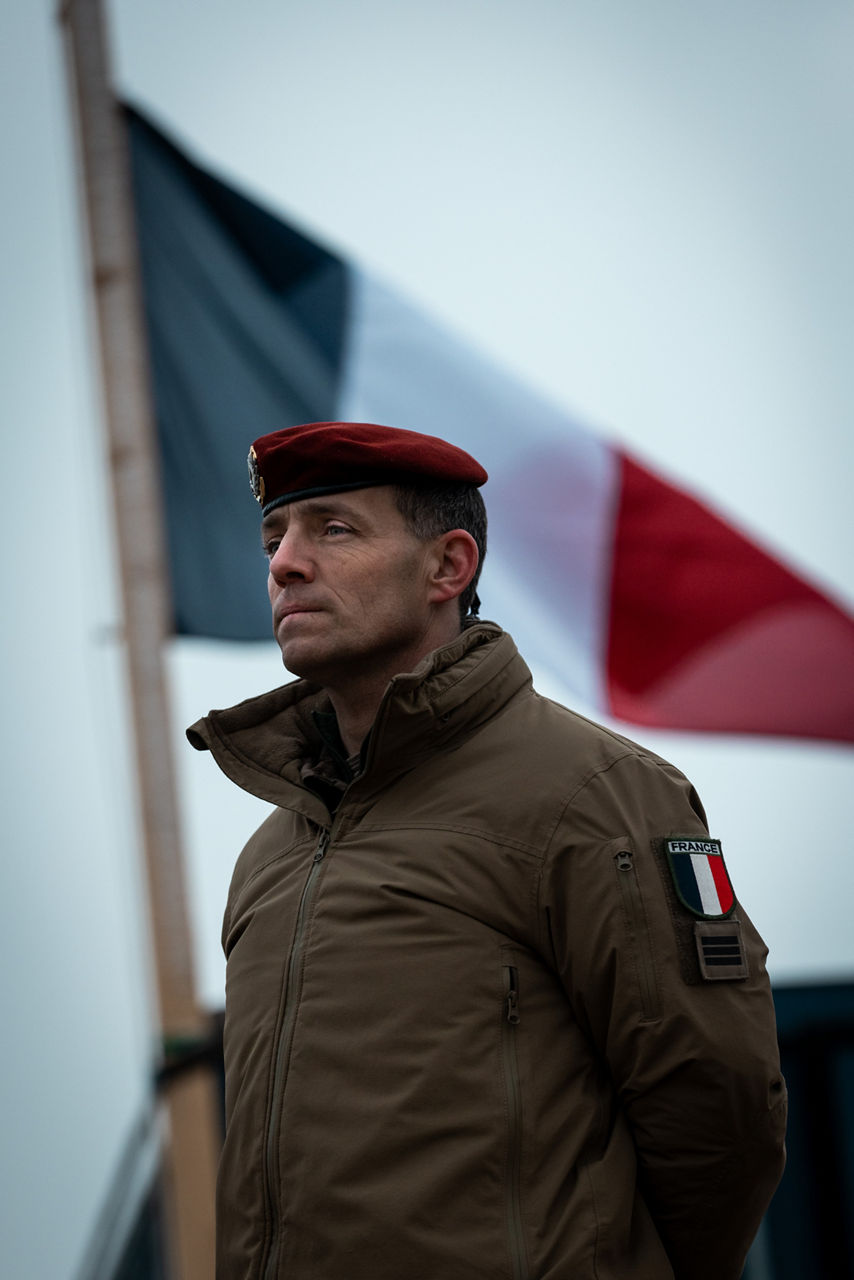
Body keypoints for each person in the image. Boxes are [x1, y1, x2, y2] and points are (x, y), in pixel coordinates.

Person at [188, 420, 786, 1280]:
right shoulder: (269, 853)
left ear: (449, 566)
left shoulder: (595, 795)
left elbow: (720, 1112)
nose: (284, 562)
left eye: (335, 528)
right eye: (274, 536)